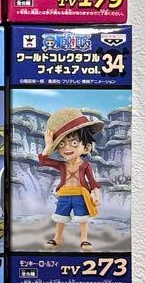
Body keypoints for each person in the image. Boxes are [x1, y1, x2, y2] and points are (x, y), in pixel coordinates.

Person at [39, 107, 103, 251]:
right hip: (64, 195)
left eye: (74, 143)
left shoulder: (85, 165)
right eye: (62, 144)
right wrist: (48, 146)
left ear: (86, 147)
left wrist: (97, 196)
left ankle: (84, 240)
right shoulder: (61, 165)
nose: (67, 148)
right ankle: (57, 238)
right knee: (60, 217)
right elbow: (43, 161)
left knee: (83, 219)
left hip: (81, 195)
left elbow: (92, 182)